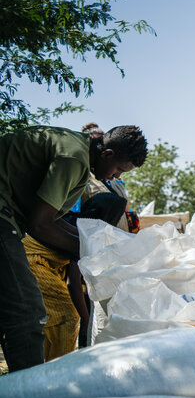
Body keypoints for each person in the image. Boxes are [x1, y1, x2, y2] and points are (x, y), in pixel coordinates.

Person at [0, 124, 147, 371]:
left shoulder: (79, 155)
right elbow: (41, 225)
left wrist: (98, 245)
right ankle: (31, 396)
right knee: (27, 311)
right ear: (107, 154)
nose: (117, 177)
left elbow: (53, 219)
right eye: (119, 170)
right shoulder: (72, 159)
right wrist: (91, 251)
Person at [23, 193, 126, 360]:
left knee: (53, 320)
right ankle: (59, 370)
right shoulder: (82, 235)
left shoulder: (74, 224)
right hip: (34, 261)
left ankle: (49, 365)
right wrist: (85, 321)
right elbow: (74, 283)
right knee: (68, 319)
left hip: (36, 261)